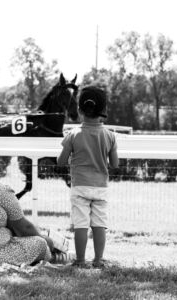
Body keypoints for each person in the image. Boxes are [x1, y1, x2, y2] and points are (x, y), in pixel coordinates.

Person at [57, 85, 119, 268]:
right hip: (100, 186)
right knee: (99, 224)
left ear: (80, 109)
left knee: (81, 224)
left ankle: (81, 260)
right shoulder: (110, 135)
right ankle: (98, 260)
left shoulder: (73, 134)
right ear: (103, 110)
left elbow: (60, 161)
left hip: (79, 186)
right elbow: (115, 164)